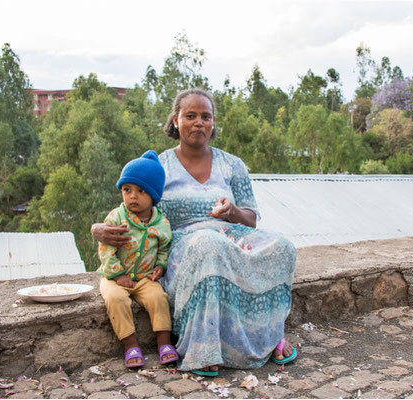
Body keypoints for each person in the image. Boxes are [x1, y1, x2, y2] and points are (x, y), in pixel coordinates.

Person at [92, 89, 297, 376]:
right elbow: (130, 204)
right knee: (207, 243)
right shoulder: (159, 166)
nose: (198, 122)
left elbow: (250, 218)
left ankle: (268, 335)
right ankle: (204, 348)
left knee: (283, 246)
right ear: (175, 120)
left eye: (206, 116)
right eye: (190, 116)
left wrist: (232, 211)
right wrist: (97, 228)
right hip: (184, 243)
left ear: (213, 124)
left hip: (231, 232)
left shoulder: (232, 164)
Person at [97, 150, 178, 369]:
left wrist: (160, 266)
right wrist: (117, 274)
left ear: (154, 195)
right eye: (127, 190)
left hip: (143, 278)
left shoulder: (161, 224)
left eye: (141, 191)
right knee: (116, 300)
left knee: (159, 298)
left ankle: (164, 342)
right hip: (113, 277)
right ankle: (130, 345)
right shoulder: (116, 218)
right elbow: (106, 248)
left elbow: (163, 249)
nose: (132, 196)